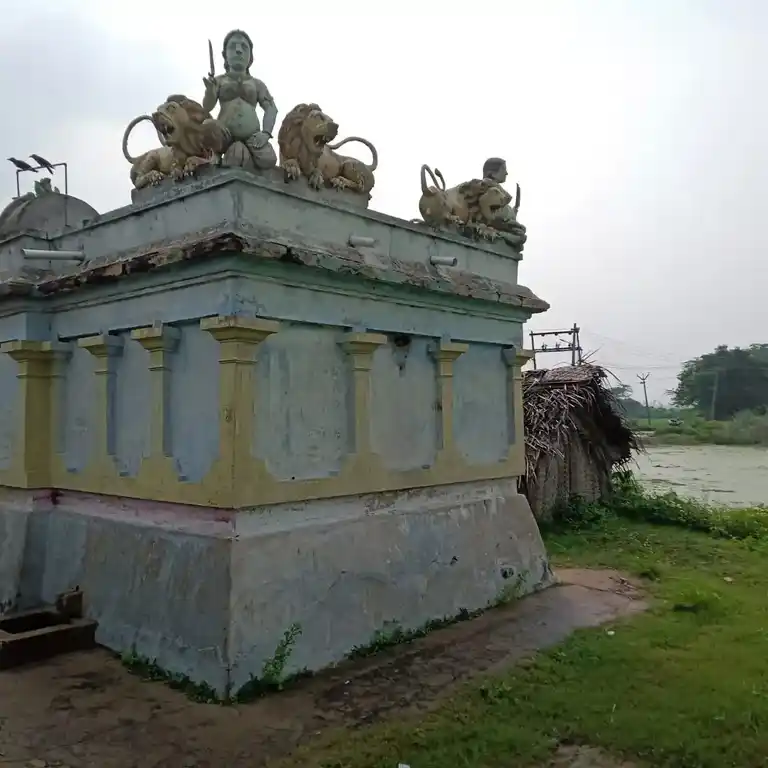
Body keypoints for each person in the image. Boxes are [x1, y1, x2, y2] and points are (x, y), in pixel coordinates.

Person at [202, 29, 277, 171]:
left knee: (269, 159)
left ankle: (243, 152)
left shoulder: (257, 84)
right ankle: (217, 153)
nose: (238, 50)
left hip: (252, 138)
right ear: (224, 55)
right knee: (208, 125)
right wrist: (210, 91)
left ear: (250, 57)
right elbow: (207, 107)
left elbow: (271, 108)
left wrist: (266, 133)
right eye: (233, 46)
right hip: (224, 137)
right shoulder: (219, 81)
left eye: (244, 47)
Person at [481, 157, 527, 247]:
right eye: (503, 169)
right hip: (491, 226)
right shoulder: (488, 187)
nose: (506, 173)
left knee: (520, 234)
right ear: (493, 172)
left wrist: (515, 210)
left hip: (500, 224)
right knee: (520, 236)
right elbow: (491, 215)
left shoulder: (496, 189)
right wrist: (509, 223)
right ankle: (497, 234)